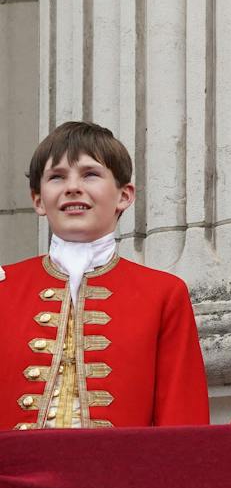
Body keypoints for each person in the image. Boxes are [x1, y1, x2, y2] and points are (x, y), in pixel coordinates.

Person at [1, 121, 209, 428]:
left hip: (121, 474)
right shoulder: (5, 287)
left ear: (124, 196)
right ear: (38, 200)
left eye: (90, 174)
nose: (73, 187)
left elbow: (182, 413)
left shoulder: (163, 293)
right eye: (57, 177)